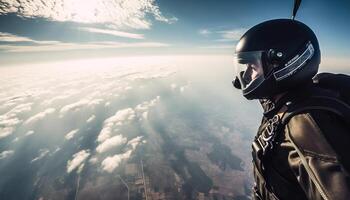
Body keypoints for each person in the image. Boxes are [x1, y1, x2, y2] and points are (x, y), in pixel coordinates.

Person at [232, 19, 350, 200]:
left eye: (252, 66)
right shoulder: (284, 107)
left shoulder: (306, 123)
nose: (245, 76)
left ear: (283, 65)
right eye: (245, 66)